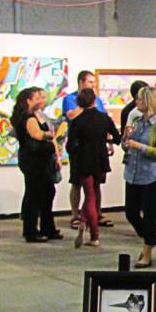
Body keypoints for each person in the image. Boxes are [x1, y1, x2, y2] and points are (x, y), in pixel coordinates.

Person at [122, 86, 156, 268]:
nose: (137, 102)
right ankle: (150, 236)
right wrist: (126, 140)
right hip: (132, 174)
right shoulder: (135, 119)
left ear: (149, 102)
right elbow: (126, 146)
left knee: (150, 215)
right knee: (131, 213)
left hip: (150, 176)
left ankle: (147, 249)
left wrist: (138, 146)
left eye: (140, 100)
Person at [66, 87, 121, 248]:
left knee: (89, 195)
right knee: (94, 192)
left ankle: (94, 234)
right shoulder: (104, 118)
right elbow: (117, 138)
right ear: (94, 100)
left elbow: (70, 146)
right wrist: (106, 141)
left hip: (84, 160)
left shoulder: (77, 121)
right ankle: (86, 223)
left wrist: (78, 150)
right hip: (101, 160)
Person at [10, 87, 63, 243]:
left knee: (47, 192)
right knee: (34, 195)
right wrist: (49, 136)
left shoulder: (35, 116)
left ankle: (47, 228)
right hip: (34, 160)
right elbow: (38, 135)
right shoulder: (28, 118)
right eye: (38, 98)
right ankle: (31, 231)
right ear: (28, 101)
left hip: (40, 160)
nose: (42, 100)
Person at [63, 70, 110, 229]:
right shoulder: (70, 99)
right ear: (81, 82)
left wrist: (109, 141)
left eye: (94, 83)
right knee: (76, 182)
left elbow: (103, 118)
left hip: (97, 147)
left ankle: (97, 213)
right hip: (79, 148)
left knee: (96, 184)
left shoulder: (98, 100)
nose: (93, 85)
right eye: (90, 82)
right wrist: (86, 105)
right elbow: (71, 115)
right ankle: (75, 215)